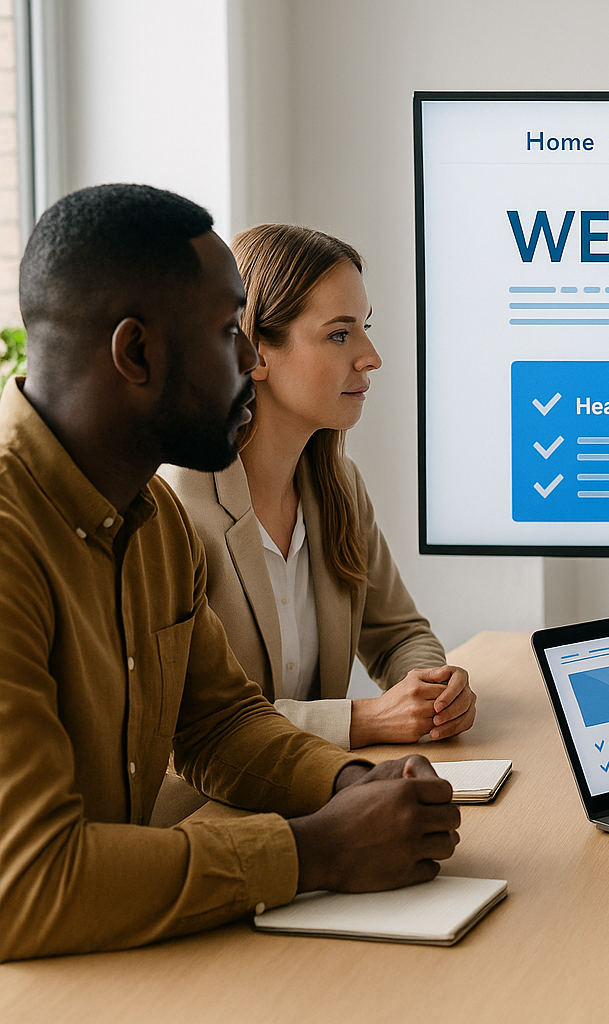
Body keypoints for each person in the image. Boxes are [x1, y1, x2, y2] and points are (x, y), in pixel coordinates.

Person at [0, 183, 461, 961]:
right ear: (136, 353)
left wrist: (352, 786)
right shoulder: (13, 537)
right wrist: (314, 850)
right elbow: (27, 883)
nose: (251, 360)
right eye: (227, 333)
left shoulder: (152, 518)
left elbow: (219, 724)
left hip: (124, 951)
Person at [163, 224, 474, 751]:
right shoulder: (177, 507)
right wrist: (366, 719)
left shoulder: (337, 487)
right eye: (339, 333)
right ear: (255, 352)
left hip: (315, 798)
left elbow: (400, 634)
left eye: (365, 328)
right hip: (212, 815)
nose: (371, 355)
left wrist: (433, 692)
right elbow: (192, 725)